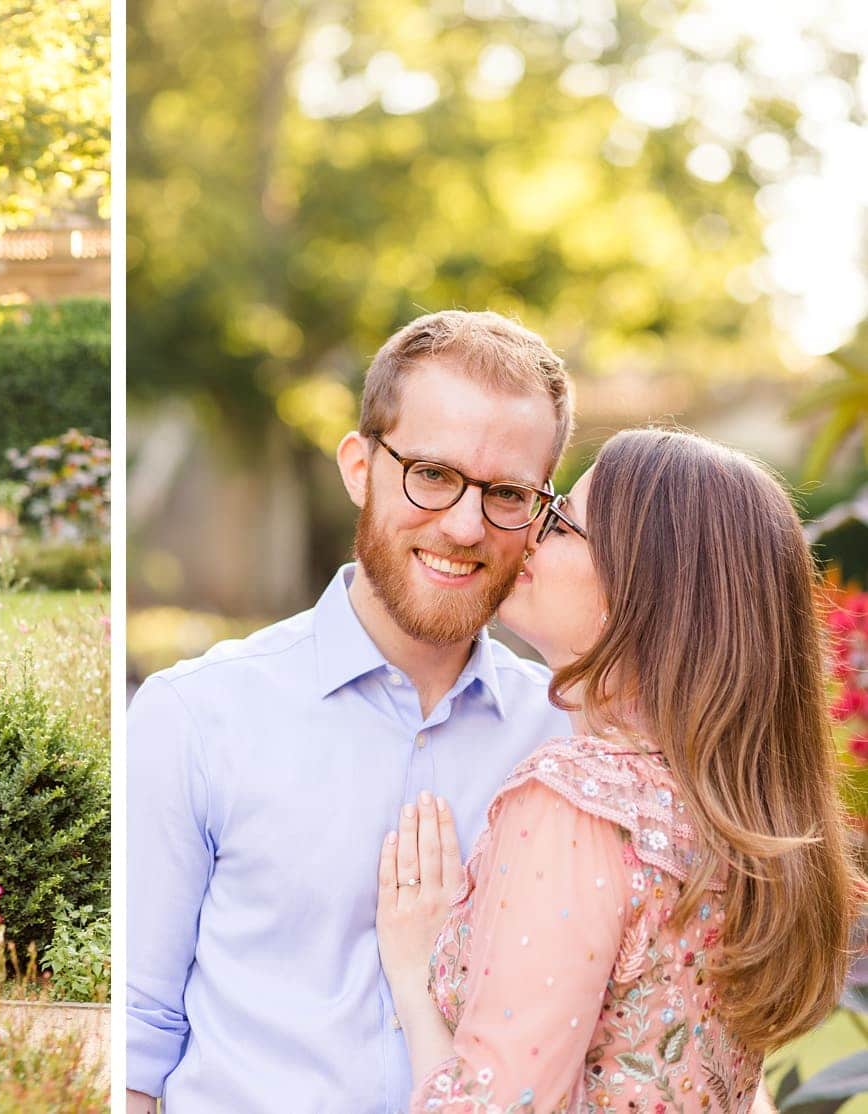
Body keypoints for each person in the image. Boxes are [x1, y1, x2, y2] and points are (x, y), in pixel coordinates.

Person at [127, 310, 577, 1113]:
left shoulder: (568, 745)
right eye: (431, 475)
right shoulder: (195, 718)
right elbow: (134, 1041)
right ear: (359, 466)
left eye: (506, 492)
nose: (466, 525)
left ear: (540, 515)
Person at [375, 429, 860, 1114]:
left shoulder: (576, 804)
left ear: (644, 588)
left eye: (562, 523)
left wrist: (413, 975)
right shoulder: (734, 821)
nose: (528, 540)